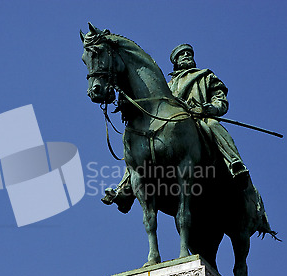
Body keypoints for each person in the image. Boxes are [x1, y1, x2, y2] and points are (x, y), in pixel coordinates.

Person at [102, 43, 249, 212]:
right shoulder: (168, 85)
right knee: (138, 146)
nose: (186, 56)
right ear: (175, 61)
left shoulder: (205, 76)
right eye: (181, 55)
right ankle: (126, 187)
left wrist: (213, 108)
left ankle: (234, 164)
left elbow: (220, 100)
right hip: (174, 124)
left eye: (189, 53)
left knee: (214, 125)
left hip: (200, 117)